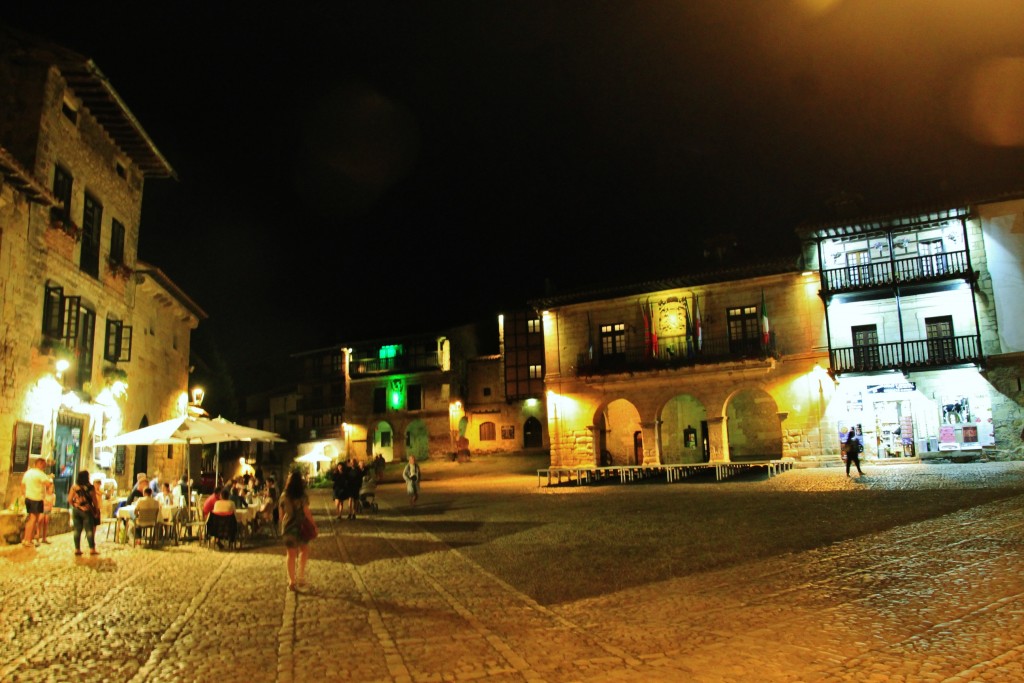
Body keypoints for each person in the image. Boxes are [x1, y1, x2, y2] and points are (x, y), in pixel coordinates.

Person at [279, 468, 316, 591]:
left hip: (288, 526)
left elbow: (281, 514)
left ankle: (292, 581)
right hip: (300, 526)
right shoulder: (302, 496)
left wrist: (283, 524)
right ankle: (300, 576)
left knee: (290, 554)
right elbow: (306, 512)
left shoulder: (284, 495)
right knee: (304, 550)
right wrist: (314, 525)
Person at [69, 470, 101, 556]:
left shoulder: (74, 487)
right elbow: (94, 500)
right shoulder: (90, 487)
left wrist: (76, 505)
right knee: (89, 530)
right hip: (87, 510)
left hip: (76, 510)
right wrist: (96, 509)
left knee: (77, 530)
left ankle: (77, 549)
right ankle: (92, 549)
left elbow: (69, 499)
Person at [21, 457, 50, 547]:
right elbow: (48, 484)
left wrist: (24, 494)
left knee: (30, 519)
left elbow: (22, 485)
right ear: (40, 464)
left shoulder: (28, 472)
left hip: (28, 497)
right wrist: (49, 478)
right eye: (44, 464)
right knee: (33, 519)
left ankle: (26, 538)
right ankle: (28, 540)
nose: (45, 466)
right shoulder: (40, 474)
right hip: (36, 498)